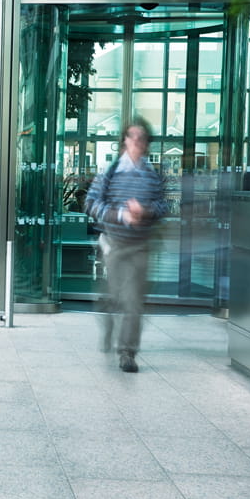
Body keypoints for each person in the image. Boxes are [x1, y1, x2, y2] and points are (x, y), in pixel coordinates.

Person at [84, 118, 167, 373]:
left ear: (146, 144)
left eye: (141, 137)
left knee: (133, 301)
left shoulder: (154, 176)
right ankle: (109, 317)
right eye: (132, 136)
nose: (136, 141)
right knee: (116, 297)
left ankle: (127, 353)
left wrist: (146, 212)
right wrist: (121, 215)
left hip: (140, 246)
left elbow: (164, 206)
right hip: (115, 243)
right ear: (124, 140)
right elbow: (90, 204)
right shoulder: (109, 173)